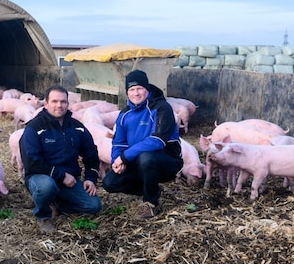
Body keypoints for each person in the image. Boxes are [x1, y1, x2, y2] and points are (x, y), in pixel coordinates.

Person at [102, 69, 183, 219]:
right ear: (127, 92)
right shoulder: (124, 114)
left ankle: (151, 203)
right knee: (109, 183)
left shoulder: (161, 108)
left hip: (167, 160)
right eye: (132, 89)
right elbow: (119, 143)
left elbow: (157, 141)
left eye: (140, 88)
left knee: (146, 157)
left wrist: (125, 157)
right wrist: (117, 161)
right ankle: (150, 188)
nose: (136, 93)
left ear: (147, 88)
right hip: (138, 160)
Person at [20, 85, 102, 233]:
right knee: (46, 186)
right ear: (46, 104)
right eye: (55, 101)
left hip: (69, 180)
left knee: (94, 206)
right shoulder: (34, 128)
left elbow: (91, 153)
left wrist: (91, 178)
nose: (59, 105)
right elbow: (32, 162)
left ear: (67, 104)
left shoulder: (77, 128)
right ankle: (43, 215)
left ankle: (56, 202)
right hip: (40, 176)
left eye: (63, 101)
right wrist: (61, 175)